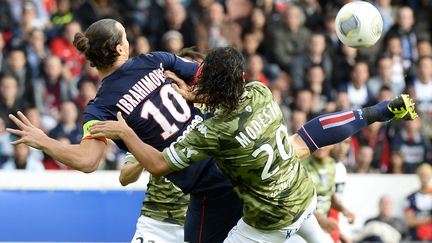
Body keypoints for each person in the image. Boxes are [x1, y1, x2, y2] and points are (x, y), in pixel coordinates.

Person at [67, 46, 417, 242]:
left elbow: (160, 164)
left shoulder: (211, 134)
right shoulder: (261, 94)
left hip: (267, 221)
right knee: (300, 143)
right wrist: (377, 111)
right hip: (302, 198)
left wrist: (128, 134)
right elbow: (313, 134)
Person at [6, 19, 242, 243]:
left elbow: (87, 161)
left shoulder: (99, 110)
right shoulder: (156, 60)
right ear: (120, 49)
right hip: (233, 162)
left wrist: (43, 140)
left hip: (208, 187)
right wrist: (194, 94)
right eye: (126, 37)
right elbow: (217, 79)